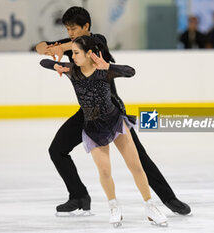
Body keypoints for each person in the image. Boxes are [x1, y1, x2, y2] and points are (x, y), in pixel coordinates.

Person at [35, 6, 191, 216]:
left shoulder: (98, 41)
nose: (70, 33)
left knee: (139, 158)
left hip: (111, 111)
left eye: (73, 29)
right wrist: (53, 51)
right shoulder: (72, 46)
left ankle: (169, 198)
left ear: (86, 26)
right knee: (57, 150)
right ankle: (79, 196)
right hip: (87, 114)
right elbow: (47, 54)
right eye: (68, 29)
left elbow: (91, 44)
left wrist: (61, 47)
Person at [40, 35, 168, 227]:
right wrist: (55, 66)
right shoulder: (72, 71)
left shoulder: (104, 72)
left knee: (136, 166)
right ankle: (114, 206)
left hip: (115, 122)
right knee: (105, 171)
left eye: (76, 53)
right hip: (93, 127)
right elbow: (43, 61)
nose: (72, 57)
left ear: (89, 54)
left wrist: (109, 66)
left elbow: (130, 71)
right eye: (72, 53)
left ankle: (150, 206)